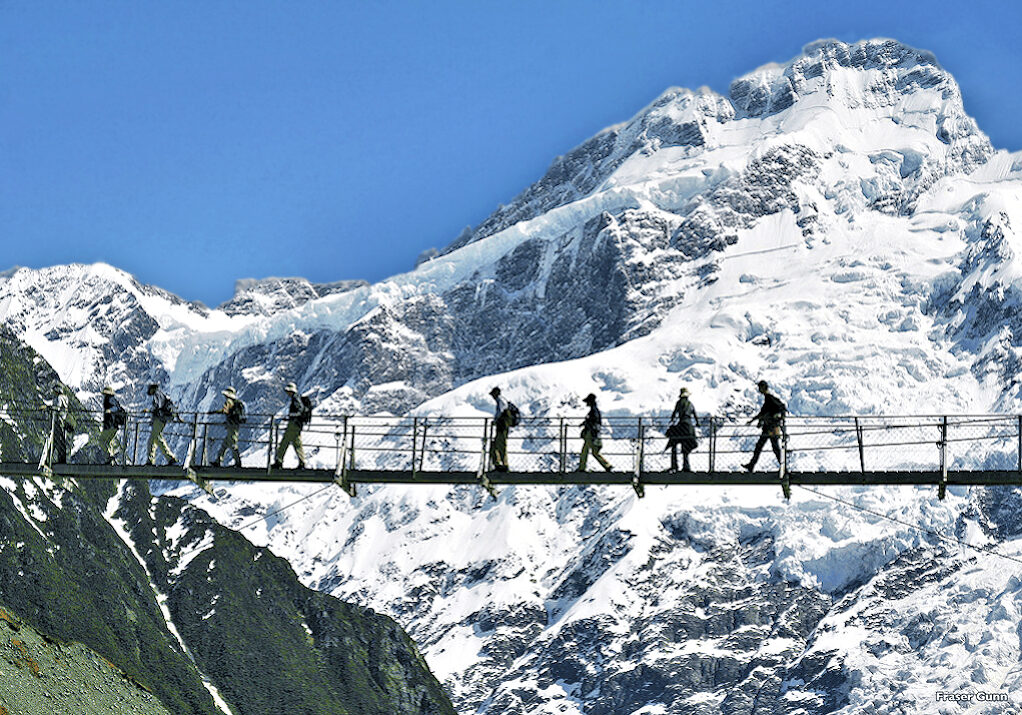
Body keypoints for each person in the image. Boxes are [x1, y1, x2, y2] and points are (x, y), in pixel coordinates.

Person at [743, 380, 786, 471]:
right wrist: (752, 420)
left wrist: (753, 420)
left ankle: (751, 465)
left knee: (763, 447)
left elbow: (778, 408)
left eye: (760, 387)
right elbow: (763, 413)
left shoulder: (769, 399)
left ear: (763, 388)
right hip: (770, 428)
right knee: (771, 448)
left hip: (770, 428)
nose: (759, 389)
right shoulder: (769, 399)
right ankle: (783, 467)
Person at [272, 382, 307, 469]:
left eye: (288, 391)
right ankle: (302, 462)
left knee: (285, 442)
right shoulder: (297, 397)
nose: (287, 393)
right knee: (297, 443)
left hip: (293, 424)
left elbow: (300, 409)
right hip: (297, 424)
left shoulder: (295, 398)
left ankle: (278, 461)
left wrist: (292, 416)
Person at [667, 387, 699, 472]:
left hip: (681, 425)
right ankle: (686, 466)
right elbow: (695, 415)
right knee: (686, 446)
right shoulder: (690, 404)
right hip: (689, 427)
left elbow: (674, 414)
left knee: (673, 442)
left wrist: (672, 420)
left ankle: (674, 465)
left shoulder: (679, 403)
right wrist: (697, 423)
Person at [146, 383, 178, 466]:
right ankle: (152, 459)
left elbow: (158, 406)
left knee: (155, 438)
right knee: (154, 439)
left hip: (159, 419)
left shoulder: (157, 394)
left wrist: (151, 411)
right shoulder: (161, 394)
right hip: (162, 419)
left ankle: (169, 458)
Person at [211, 386, 244, 467]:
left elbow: (225, 410)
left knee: (232, 444)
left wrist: (215, 412)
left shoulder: (229, 402)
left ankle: (238, 462)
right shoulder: (235, 403)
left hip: (232, 426)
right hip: (233, 425)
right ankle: (218, 460)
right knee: (225, 444)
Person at [578, 393, 612, 472]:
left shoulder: (593, 411)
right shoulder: (594, 410)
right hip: (593, 432)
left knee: (585, 450)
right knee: (593, 451)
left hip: (590, 433)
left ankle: (582, 468)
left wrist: (586, 425)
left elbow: (592, 422)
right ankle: (607, 465)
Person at [98, 385, 124, 465]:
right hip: (114, 425)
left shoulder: (110, 399)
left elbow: (117, 408)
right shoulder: (113, 399)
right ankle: (111, 460)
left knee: (102, 441)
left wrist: (109, 410)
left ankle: (109, 457)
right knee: (108, 442)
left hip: (110, 425)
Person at [489, 387, 510, 472]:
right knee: (500, 444)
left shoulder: (500, 400)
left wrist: (495, 420)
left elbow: (500, 411)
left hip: (501, 426)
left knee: (499, 444)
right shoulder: (503, 400)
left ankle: (502, 465)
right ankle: (502, 464)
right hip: (503, 426)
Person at [50, 385, 70, 464]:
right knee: (62, 440)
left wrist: (49, 408)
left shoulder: (59, 398)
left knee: (57, 439)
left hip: (58, 421)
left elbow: (57, 408)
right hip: (63, 420)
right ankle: (62, 459)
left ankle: (53, 459)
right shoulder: (65, 398)